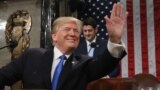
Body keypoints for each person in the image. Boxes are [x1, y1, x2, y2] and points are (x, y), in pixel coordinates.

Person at [0, 2, 128, 90]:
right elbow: (3, 76)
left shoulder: (83, 64)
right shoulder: (31, 57)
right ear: (54, 36)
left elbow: (105, 64)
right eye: (67, 29)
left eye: (76, 31)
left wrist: (115, 39)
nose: (73, 33)